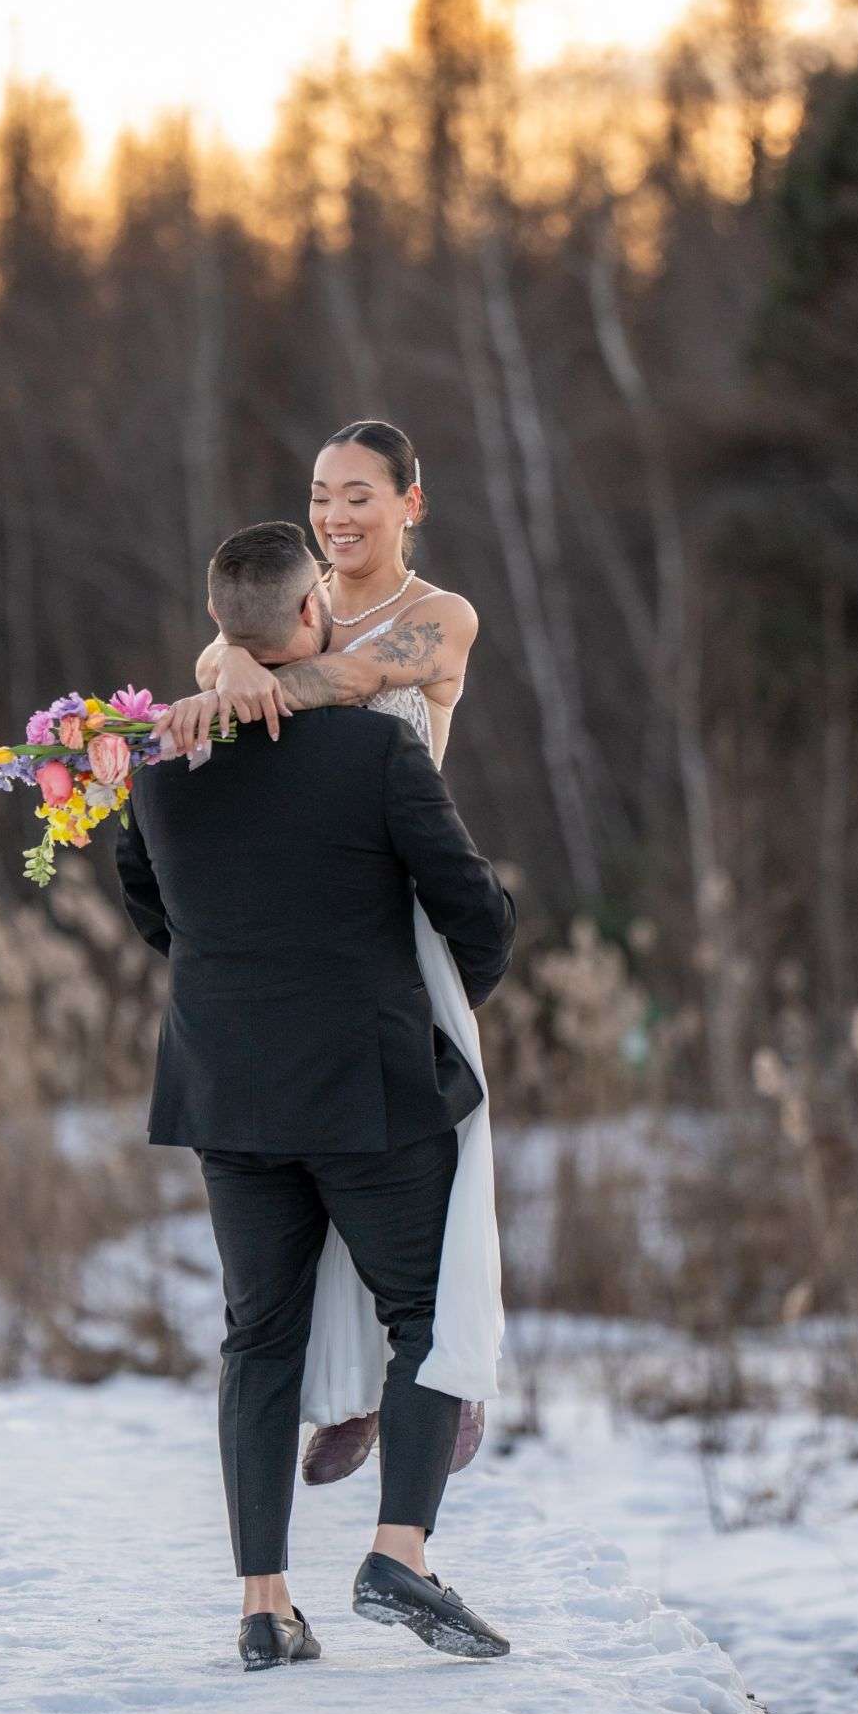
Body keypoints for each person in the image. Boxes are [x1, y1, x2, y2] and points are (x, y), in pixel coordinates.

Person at [115, 520, 516, 1669]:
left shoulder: (156, 763)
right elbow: (475, 911)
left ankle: (263, 1606)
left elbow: (150, 910)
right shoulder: (374, 752)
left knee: (257, 1337)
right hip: (368, 1084)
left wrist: (241, 985)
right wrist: (437, 1000)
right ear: (311, 614)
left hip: (228, 1088)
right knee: (424, 1314)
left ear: (217, 628)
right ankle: (397, 1553)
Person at [168, 420, 499, 1486]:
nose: (334, 516)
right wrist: (230, 658)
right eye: (320, 495)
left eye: (359, 494)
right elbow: (229, 656)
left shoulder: (440, 618)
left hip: (403, 909)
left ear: (410, 502)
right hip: (308, 918)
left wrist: (242, 670)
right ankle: (349, 1389)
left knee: (431, 1155)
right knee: (316, 1152)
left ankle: (445, 1373)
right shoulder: (285, 605)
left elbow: (349, 682)